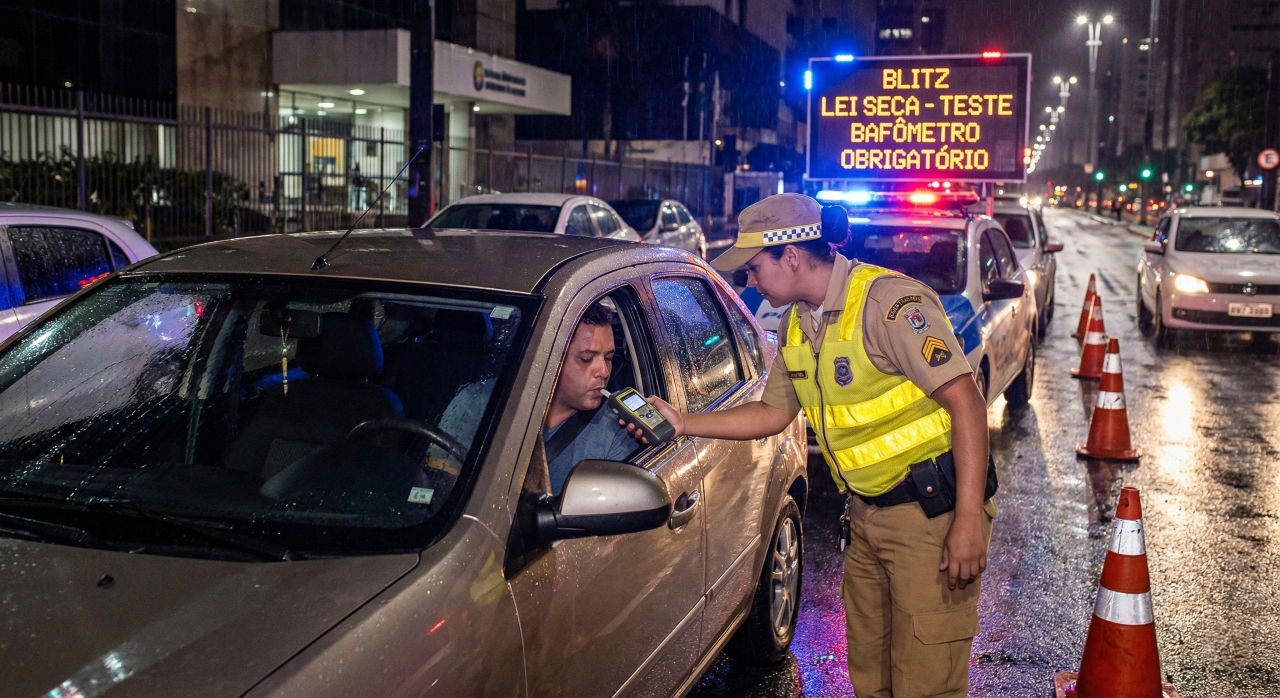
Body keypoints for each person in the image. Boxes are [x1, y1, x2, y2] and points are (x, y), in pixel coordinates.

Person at [624, 193, 997, 698]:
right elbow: (773, 413)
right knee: (871, 674)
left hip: (930, 519)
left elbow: (968, 406)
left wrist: (969, 521)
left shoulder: (888, 304)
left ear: (792, 256)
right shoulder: (799, 322)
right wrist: (683, 422)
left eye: (755, 268)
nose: (749, 281)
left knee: (927, 683)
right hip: (866, 518)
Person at [542, 301, 635, 493]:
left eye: (608, 358)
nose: (604, 371)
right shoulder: (481, 403)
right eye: (586, 359)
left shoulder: (616, 435)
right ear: (549, 359)